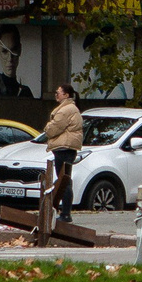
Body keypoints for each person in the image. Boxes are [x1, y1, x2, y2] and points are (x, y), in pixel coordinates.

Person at [44, 83, 84, 229]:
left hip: (63, 148)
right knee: (65, 179)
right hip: (67, 147)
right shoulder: (71, 108)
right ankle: (64, 211)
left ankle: (66, 214)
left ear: (66, 95)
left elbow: (53, 128)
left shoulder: (65, 110)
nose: (56, 95)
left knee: (64, 180)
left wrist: (47, 127)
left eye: (58, 92)